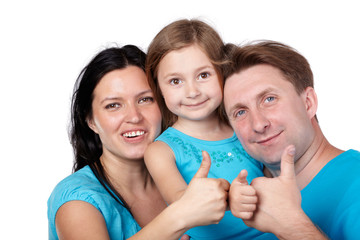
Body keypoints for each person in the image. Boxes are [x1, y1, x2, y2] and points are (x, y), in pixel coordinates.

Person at [47, 45, 232, 239]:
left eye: (145, 100)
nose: (134, 117)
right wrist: (181, 215)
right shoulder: (77, 201)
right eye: (113, 105)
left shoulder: (187, 173)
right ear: (91, 120)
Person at [145, 19, 271, 239]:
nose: (192, 91)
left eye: (203, 75)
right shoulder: (160, 150)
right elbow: (180, 201)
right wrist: (231, 197)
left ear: (222, 73)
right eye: (175, 81)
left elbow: (275, 181)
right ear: (159, 88)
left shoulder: (244, 127)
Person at [223, 40, 360, 239]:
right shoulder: (241, 197)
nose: (258, 124)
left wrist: (292, 224)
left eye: (269, 99)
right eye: (241, 112)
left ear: (308, 103)